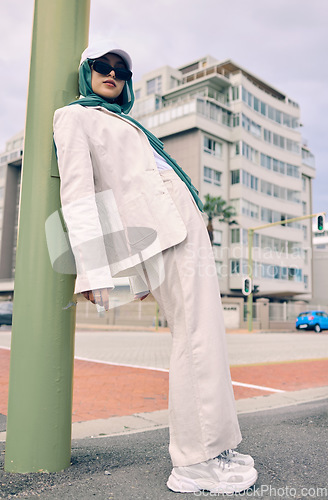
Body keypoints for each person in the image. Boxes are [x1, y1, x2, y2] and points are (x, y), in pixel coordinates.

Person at [53, 39, 258, 495]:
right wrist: (94, 269)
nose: (112, 74)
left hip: (182, 227)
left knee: (207, 336)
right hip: (162, 234)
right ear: (86, 71)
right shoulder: (74, 117)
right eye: (101, 67)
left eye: (121, 70)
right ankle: (194, 461)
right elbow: (79, 196)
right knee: (195, 337)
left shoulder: (125, 122)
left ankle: (217, 446)